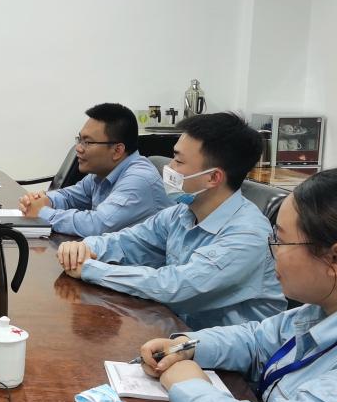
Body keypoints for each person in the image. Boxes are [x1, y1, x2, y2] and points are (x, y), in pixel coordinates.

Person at [139, 167, 337, 402]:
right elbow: (257, 341)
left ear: (336, 259)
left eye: (281, 240)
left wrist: (188, 385)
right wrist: (187, 346)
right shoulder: (332, 305)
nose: (271, 249)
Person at [57, 113, 285, 330]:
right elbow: (128, 242)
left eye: (178, 161)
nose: (168, 168)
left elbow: (175, 287)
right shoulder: (182, 212)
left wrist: (91, 269)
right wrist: (85, 248)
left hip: (231, 355)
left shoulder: (248, 235)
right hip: (178, 337)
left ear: (213, 177)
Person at [19, 103, 170, 236]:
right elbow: (69, 197)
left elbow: (97, 225)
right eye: (79, 140)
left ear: (117, 150)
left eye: (88, 142)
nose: (78, 148)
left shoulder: (138, 179)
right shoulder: (101, 173)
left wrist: (42, 212)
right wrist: (45, 200)